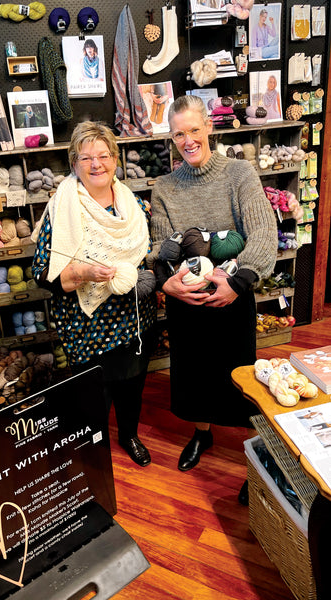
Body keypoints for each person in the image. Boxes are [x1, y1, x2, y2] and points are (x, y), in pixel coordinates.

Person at [149, 95, 278, 500]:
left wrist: (236, 280)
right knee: (196, 376)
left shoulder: (239, 174)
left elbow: (262, 233)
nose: (187, 140)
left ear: (209, 127)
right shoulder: (164, 188)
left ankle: (256, 458)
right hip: (187, 305)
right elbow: (159, 246)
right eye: (178, 134)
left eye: (193, 130)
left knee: (240, 378)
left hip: (232, 298)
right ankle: (202, 435)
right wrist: (171, 282)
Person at [32, 121, 157, 467]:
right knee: (93, 396)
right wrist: (83, 273)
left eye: (103, 155)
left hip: (133, 320)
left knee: (132, 386)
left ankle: (129, 435)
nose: (96, 164)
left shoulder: (135, 207)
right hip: (87, 326)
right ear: (74, 163)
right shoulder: (61, 210)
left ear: (115, 160)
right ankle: (94, 449)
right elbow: (41, 273)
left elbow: (146, 257)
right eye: (86, 158)